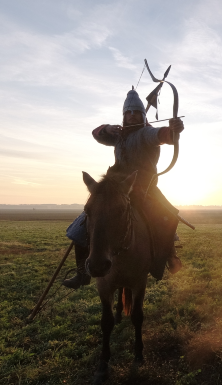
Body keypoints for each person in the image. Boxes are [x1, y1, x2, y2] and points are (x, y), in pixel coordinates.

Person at [63, 86, 184, 289]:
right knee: (83, 224)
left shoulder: (146, 133)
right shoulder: (118, 135)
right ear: (123, 116)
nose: (131, 115)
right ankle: (82, 273)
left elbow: (162, 136)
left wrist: (173, 130)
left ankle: (170, 257)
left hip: (144, 189)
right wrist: (107, 128)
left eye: (136, 112)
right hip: (115, 189)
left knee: (169, 216)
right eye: (128, 112)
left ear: (143, 114)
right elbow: (97, 134)